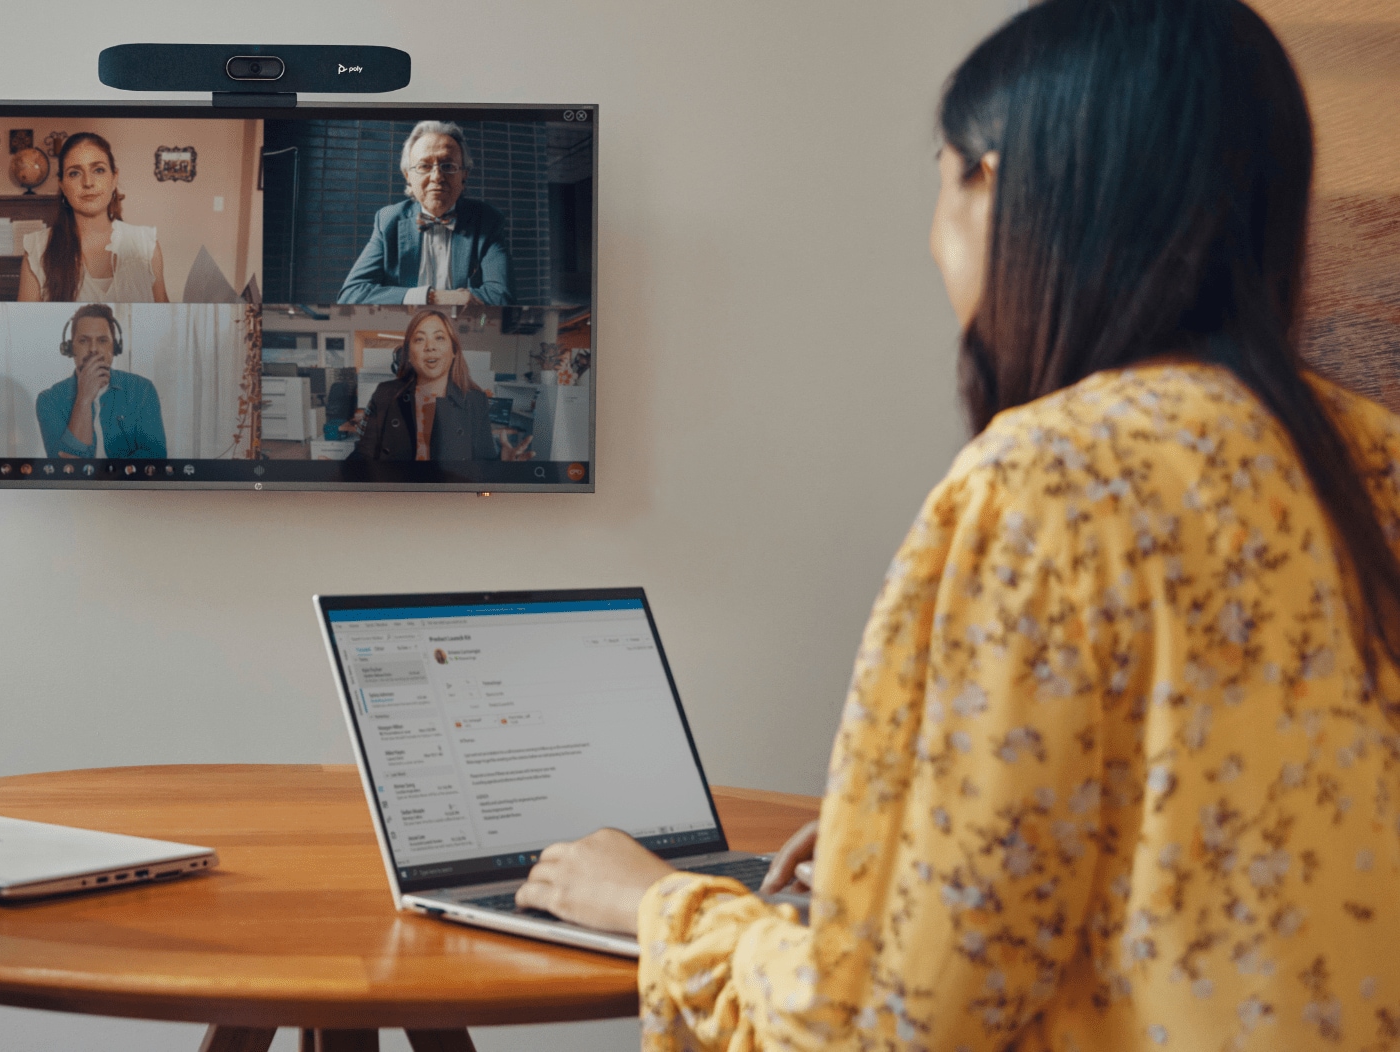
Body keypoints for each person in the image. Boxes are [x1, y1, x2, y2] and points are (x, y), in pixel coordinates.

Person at [512, 1, 1400, 1049]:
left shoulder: (1047, 477)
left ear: (998, 187)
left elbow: (890, 1020)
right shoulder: (1372, 454)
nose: (931, 235)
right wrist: (899, 846)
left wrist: (657, 901)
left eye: (939, 176)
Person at [338, 121, 513, 306]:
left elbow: (502, 296)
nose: (437, 177)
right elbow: (351, 294)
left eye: (448, 166)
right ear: (408, 176)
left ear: (464, 174)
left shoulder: (488, 220)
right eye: (424, 166)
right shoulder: (388, 220)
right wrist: (432, 297)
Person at [348, 309, 527, 462]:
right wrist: (339, 471)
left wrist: (502, 463)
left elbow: (482, 466)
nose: (430, 347)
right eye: (419, 339)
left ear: (454, 351)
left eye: (439, 338)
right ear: (409, 354)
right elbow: (363, 456)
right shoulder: (385, 394)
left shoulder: (475, 400)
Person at [19, 132, 170, 303]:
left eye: (98, 170)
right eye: (75, 173)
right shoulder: (37, 248)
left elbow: (166, 321)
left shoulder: (146, 245)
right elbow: (25, 326)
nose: (88, 182)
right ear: (62, 185)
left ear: (114, 178)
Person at [35, 303, 167, 459]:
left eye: (102, 340)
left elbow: (154, 459)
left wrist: (104, 477)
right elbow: (64, 468)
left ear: (115, 347)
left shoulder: (142, 390)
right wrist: (84, 399)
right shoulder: (49, 400)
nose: (93, 349)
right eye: (84, 341)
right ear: (70, 348)